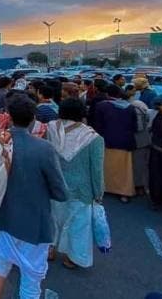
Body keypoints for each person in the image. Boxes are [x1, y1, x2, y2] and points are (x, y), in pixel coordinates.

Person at [0, 95, 68, 299]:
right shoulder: (44, 149)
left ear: (9, 117)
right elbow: (60, 191)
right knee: (31, 277)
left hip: (2, 216)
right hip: (34, 222)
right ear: (33, 119)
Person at [47, 99, 104, 269]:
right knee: (79, 224)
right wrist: (98, 192)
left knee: (52, 218)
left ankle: (49, 248)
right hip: (81, 187)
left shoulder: (50, 128)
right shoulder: (93, 138)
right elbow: (97, 169)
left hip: (53, 182)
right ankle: (74, 258)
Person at [94, 85, 138, 203]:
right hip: (125, 141)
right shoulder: (130, 107)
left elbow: (97, 125)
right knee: (124, 169)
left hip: (106, 140)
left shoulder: (101, 106)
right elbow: (135, 126)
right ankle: (124, 192)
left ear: (107, 94)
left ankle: (104, 188)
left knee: (105, 166)